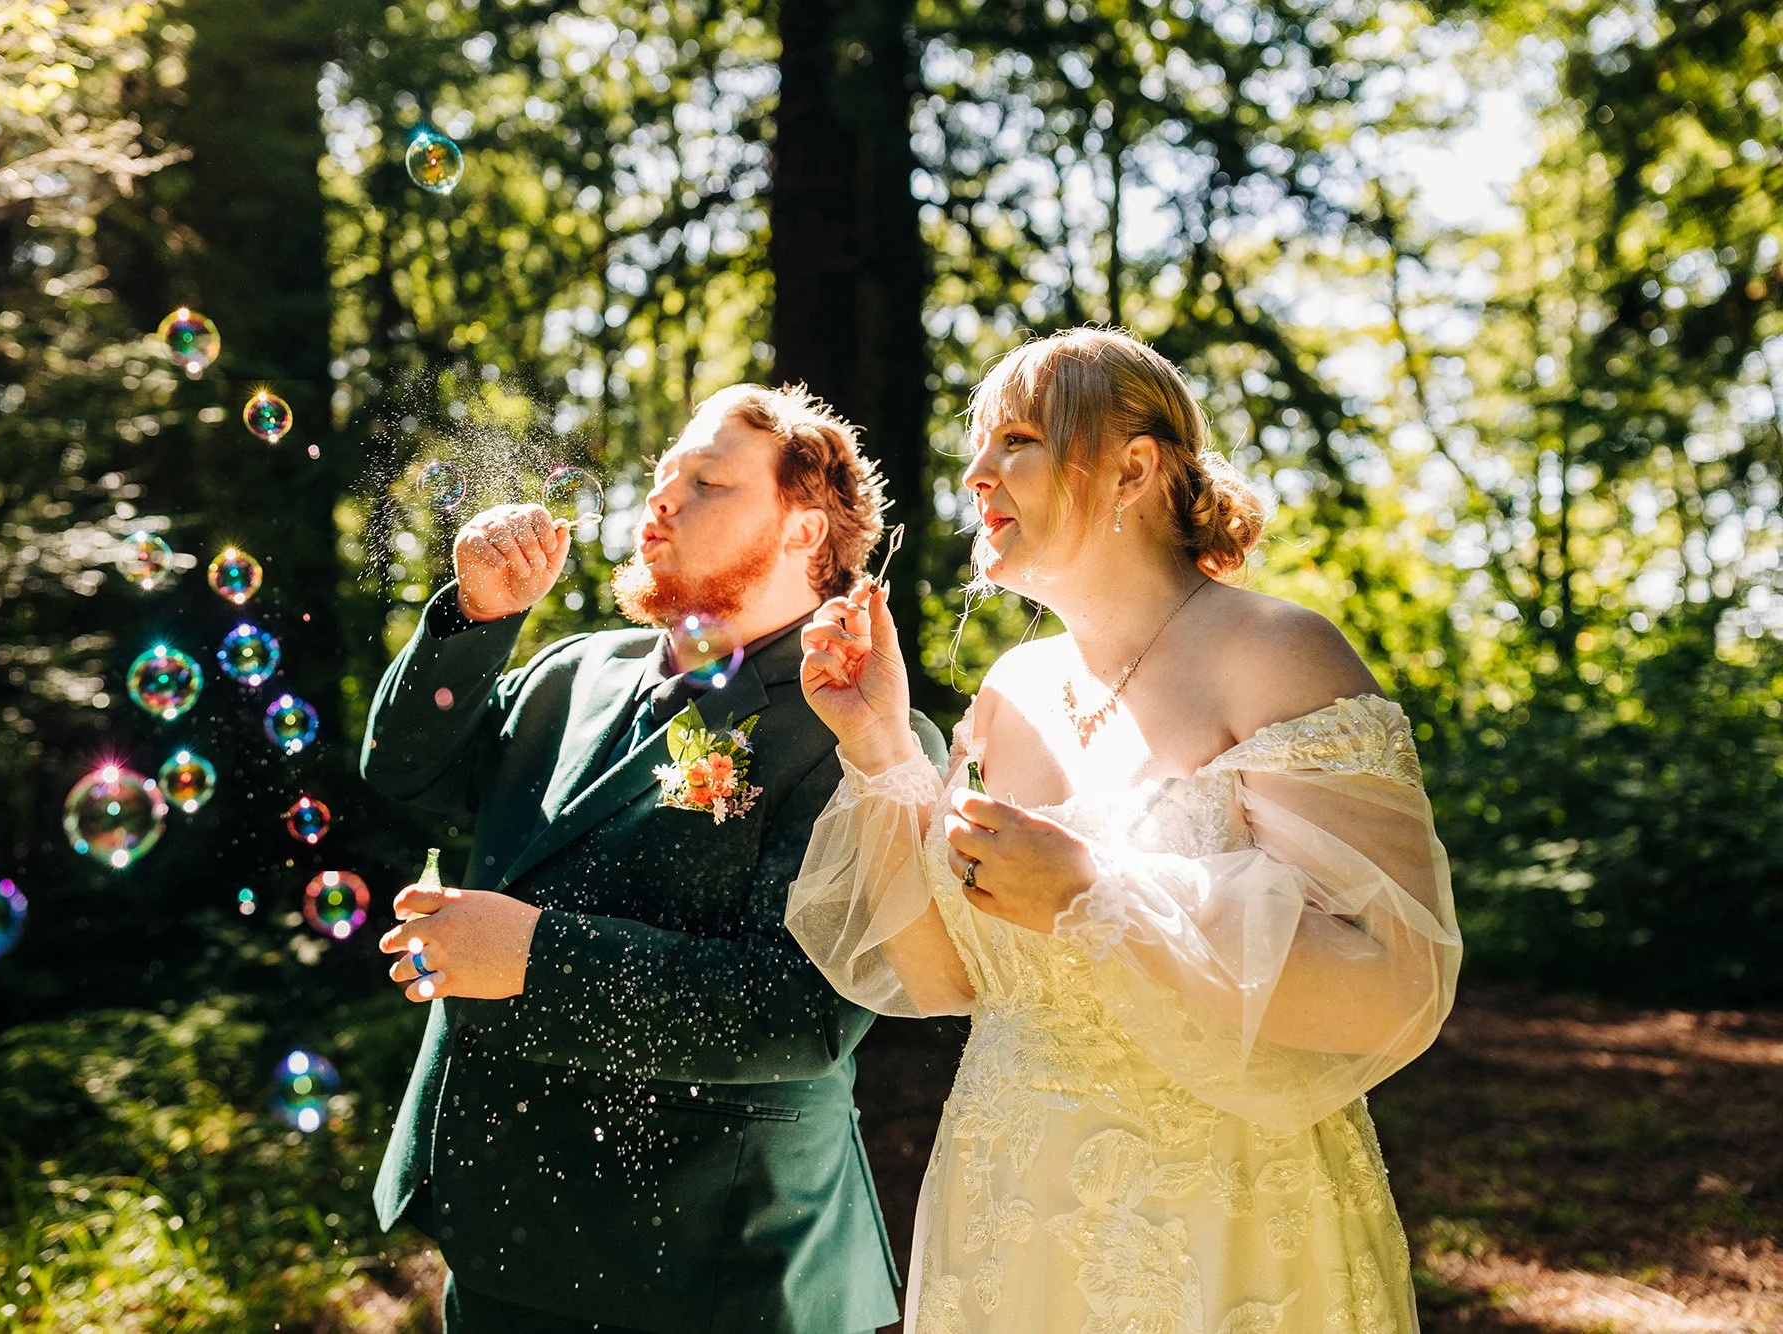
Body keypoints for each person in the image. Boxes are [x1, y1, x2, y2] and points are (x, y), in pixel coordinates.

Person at [787, 327, 1461, 1333]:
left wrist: (1095, 893)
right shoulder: (1009, 689)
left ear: (1133, 467)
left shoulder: (1274, 652)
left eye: (1013, 438)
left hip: (1217, 1222)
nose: (975, 474)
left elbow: (1393, 980)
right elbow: (946, 982)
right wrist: (882, 742)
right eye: (977, 446)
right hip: (1004, 1211)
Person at [362, 383, 945, 1333]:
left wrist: (533, 959)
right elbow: (405, 772)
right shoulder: (570, 671)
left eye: (707, 482)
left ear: (804, 531)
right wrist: (473, 623)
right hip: (496, 1226)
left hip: (706, 1266)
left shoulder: (864, 732)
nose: (662, 500)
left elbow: (798, 1012)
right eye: (662, 478)